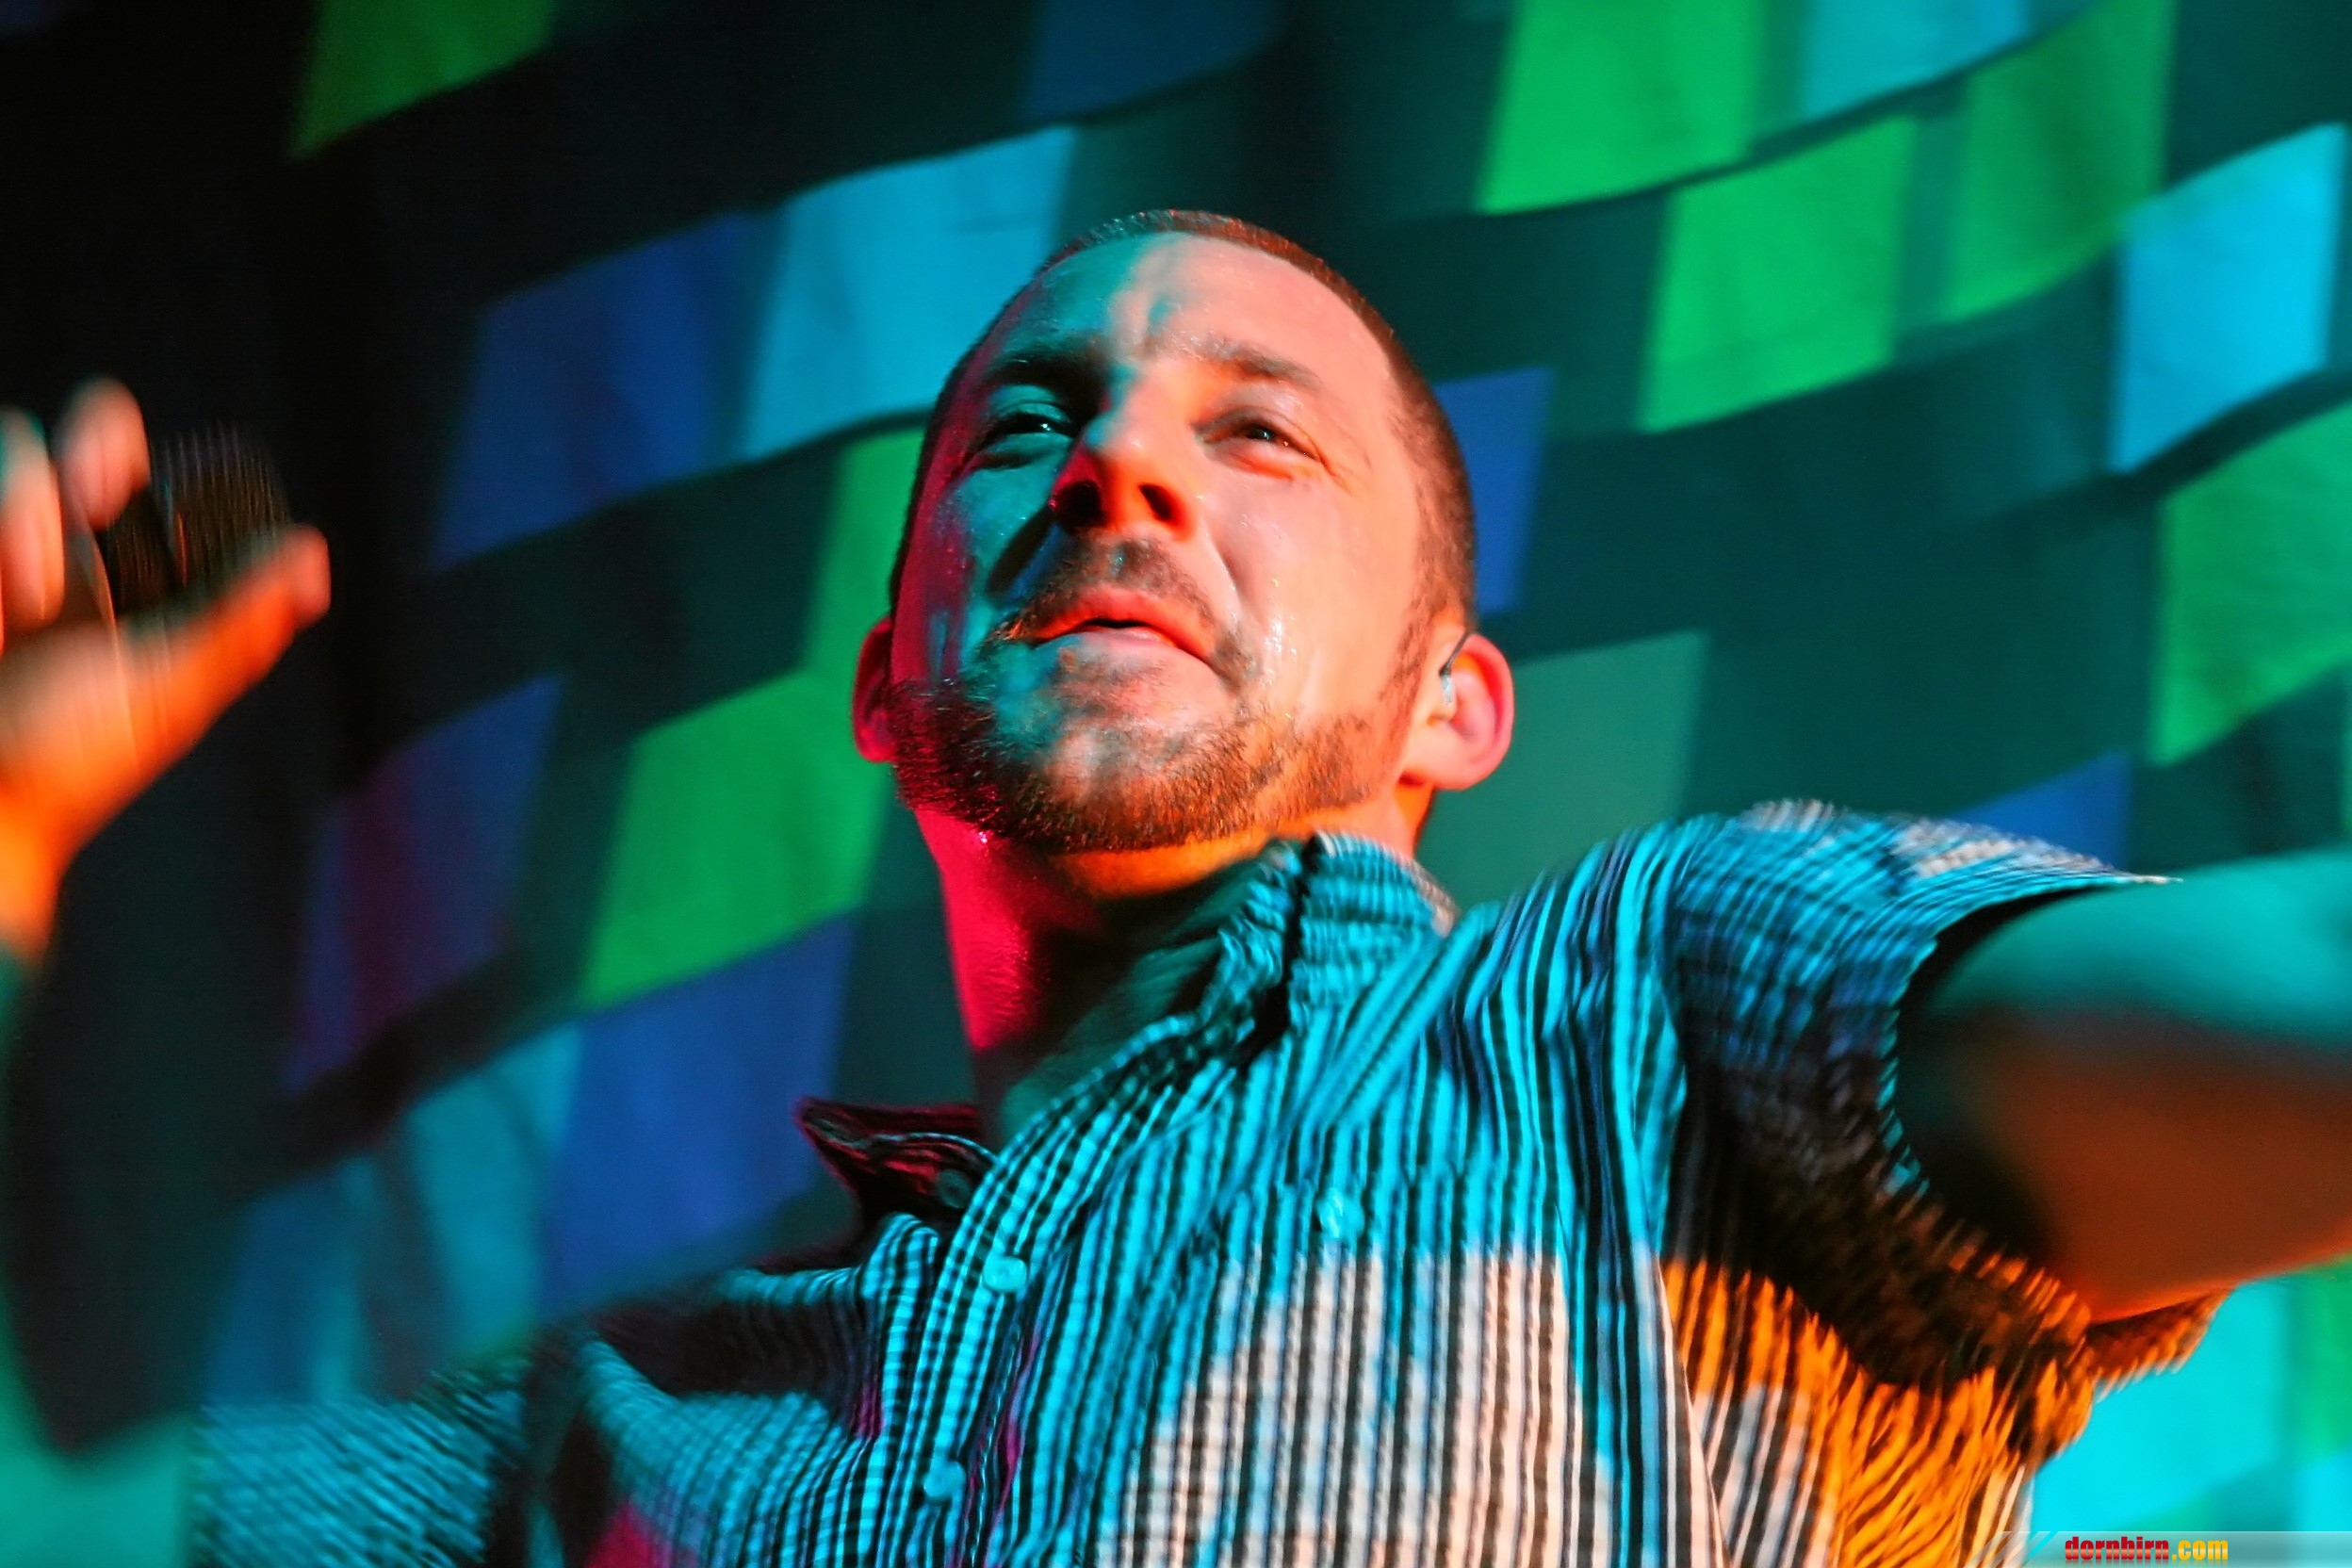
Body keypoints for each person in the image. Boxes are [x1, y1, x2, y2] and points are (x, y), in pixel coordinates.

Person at [0, 210, 2346, 1567]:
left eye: (1259, 433)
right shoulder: (593, 1434)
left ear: (1453, 702)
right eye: (1032, 422)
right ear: (891, 677)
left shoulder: (1661, 1006)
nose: (1116, 457)